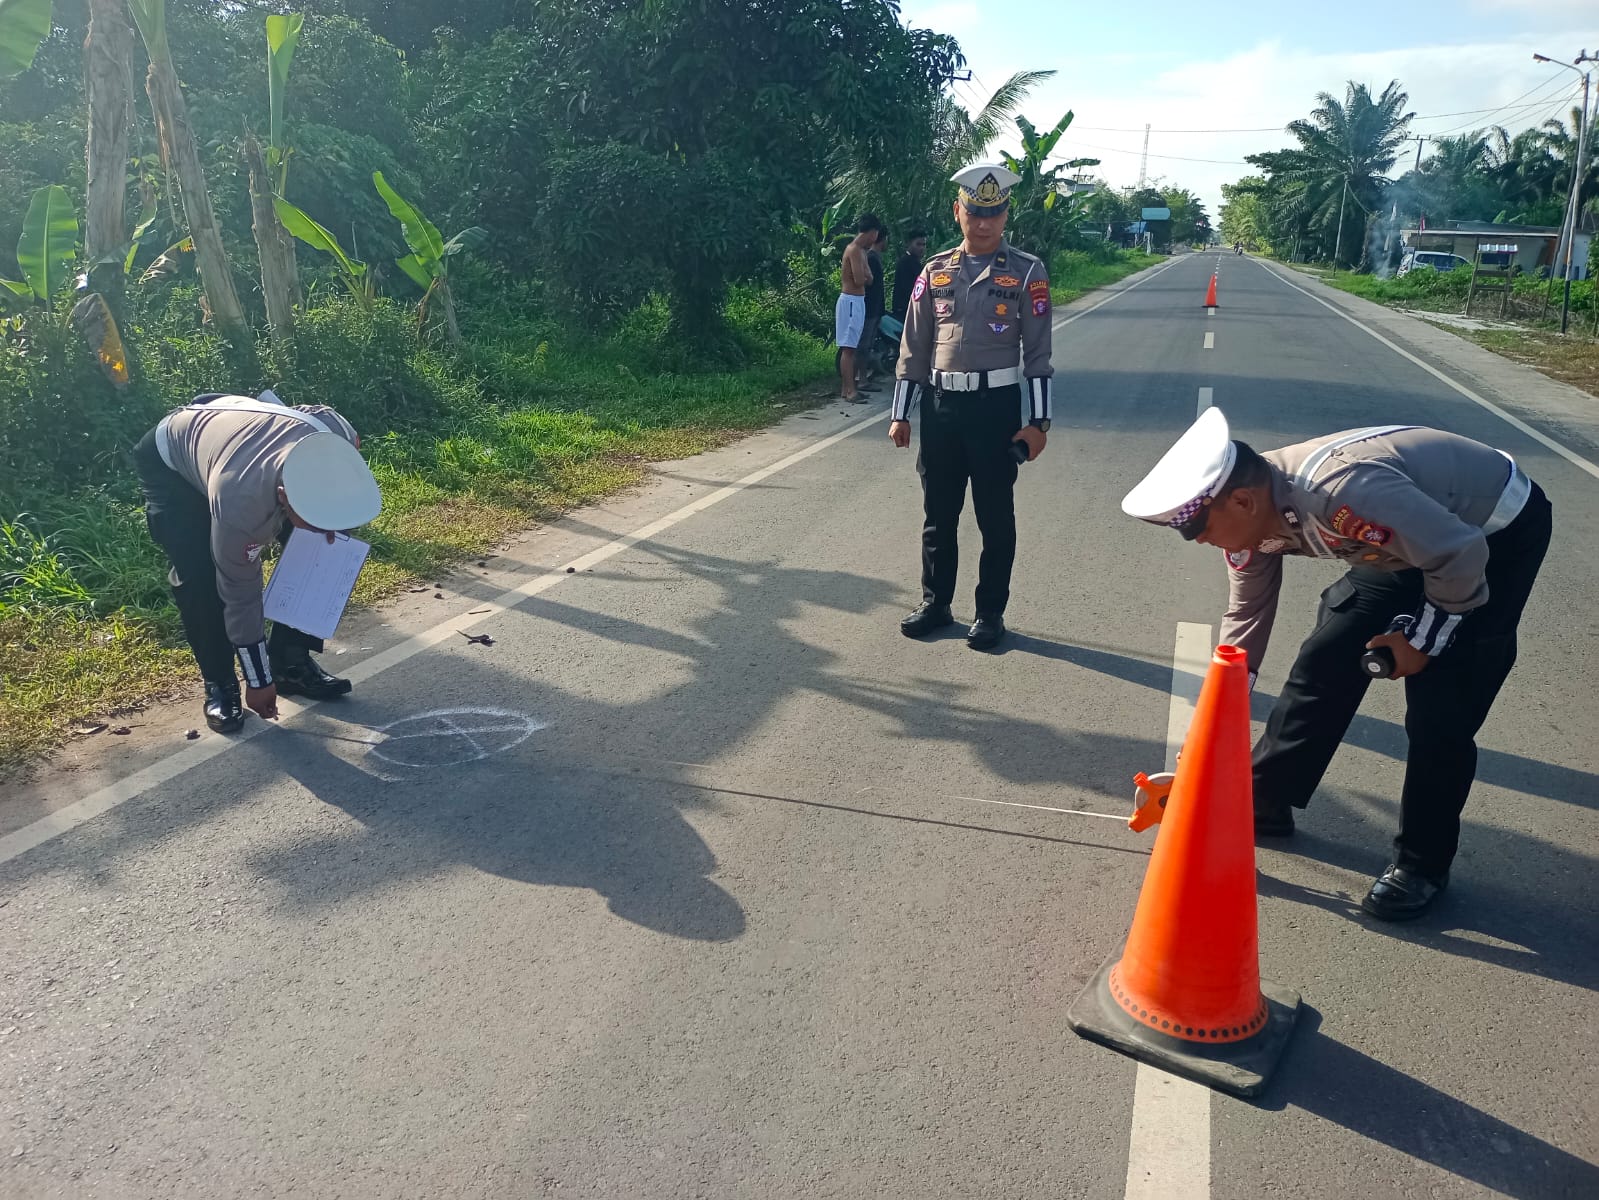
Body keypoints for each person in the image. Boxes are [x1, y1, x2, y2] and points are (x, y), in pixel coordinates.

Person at [1121, 409, 1552, 920]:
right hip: (1400, 543)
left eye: (1200, 529)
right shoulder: (1246, 521)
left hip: (1486, 535)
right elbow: (1247, 616)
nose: (1200, 541)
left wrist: (1420, 641)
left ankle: (1421, 865)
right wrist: (1212, 730)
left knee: (1443, 705)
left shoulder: (1343, 493)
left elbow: (1458, 554)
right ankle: (1264, 799)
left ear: (1241, 500)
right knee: (1326, 658)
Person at [133, 391, 383, 733]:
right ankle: (221, 685)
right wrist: (257, 680)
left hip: (244, 431)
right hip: (175, 458)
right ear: (284, 499)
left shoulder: (336, 445)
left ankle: (290, 663)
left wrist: (328, 528)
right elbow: (239, 593)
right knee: (202, 577)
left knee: (322, 549)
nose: (326, 527)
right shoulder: (242, 506)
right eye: (313, 516)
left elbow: (316, 413)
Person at [890, 162, 1053, 651]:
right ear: (957, 211)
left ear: (1006, 215)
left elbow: (1039, 354)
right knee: (938, 513)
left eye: (995, 212)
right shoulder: (934, 270)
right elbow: (913, 347)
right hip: (940, 409)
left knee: (994, 516)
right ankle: (936, 604)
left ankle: (989, 612)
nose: (984, 223)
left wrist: (1039, 422)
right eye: (975, 212)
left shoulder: (1027, 272)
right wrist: (901, 412)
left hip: (994, 409)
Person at [837, 214, 882, 402]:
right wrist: (865, 276)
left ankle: (847, 387)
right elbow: (859, 279)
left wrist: (866, 276)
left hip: (859, 300)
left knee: (853, 346)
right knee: (848, 348)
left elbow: (868, 278)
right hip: (850, 301)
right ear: (872, 233)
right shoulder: (854, 250)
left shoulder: (863, 251)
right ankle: (849, 391)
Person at [857, 228, 888, 393]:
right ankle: (862, 379)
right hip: (869, 310)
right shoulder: (871, 258)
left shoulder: (874, 258)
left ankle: (863, 378)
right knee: (864, 345)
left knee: (867, 345)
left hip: (874, 309)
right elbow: (868, 285)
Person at [891, 229, 928, 323]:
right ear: (909, 244)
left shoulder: (915, 263)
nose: (921, 248)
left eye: (924, 245)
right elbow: (908, 289)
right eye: (918, 244)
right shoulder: (905, 262)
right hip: (905, 311)